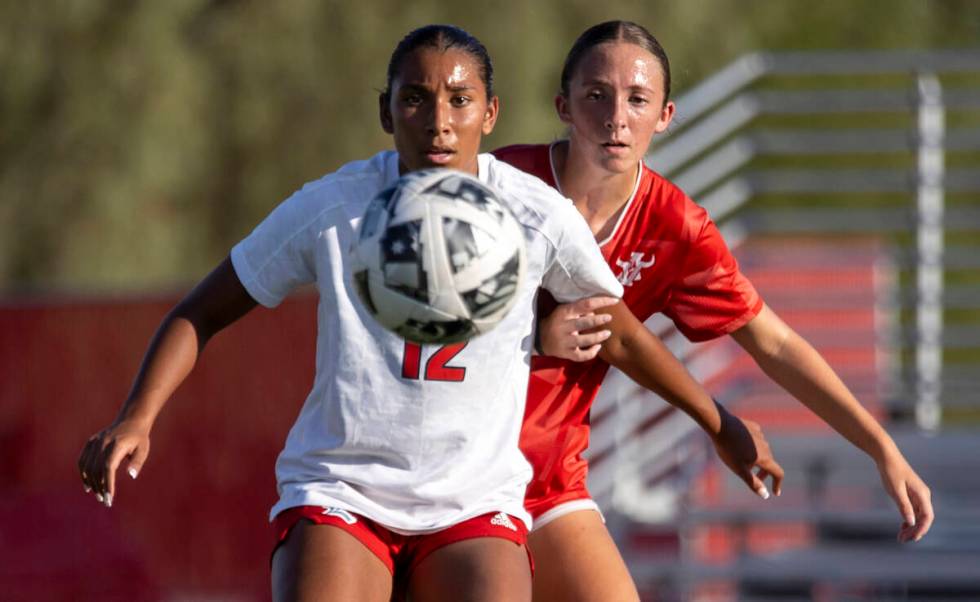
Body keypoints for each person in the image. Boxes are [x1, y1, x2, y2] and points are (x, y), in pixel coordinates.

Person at [77, 24, 633, 602]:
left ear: (490, 112)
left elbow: (619, 330)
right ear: (386, 113)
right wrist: (137, 417)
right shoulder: (334, 207)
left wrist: (714, 421)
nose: (438, 120)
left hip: (473, 500)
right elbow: (199, 313)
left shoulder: (534, 212)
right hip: (342, 490)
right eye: (415, 97)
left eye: (459, 100)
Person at [494, 20, 935, 602]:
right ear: (563, 106)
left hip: (552, 477)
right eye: (596, 95)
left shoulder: (674, 227)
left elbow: (773, 343)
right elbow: (412, 322)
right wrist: (531, 333)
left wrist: (881, 447)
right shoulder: (499, 185)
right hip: (463, 463)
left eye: (638, 99)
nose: (616, 116)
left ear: (666, 116)